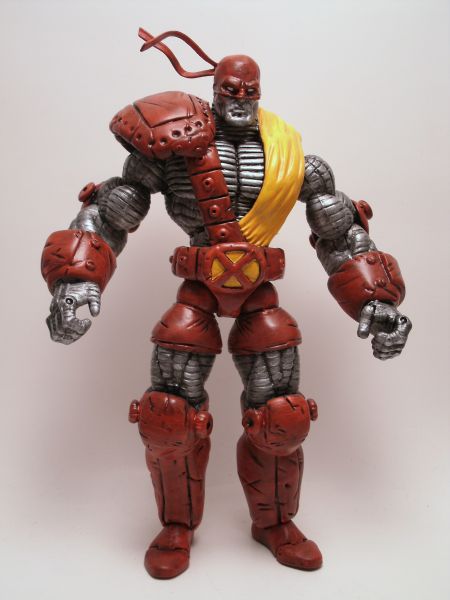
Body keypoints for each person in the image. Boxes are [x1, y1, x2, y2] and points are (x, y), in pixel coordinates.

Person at [41, 29, 412, 579]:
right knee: (169, 415)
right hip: (196, 288)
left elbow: (341, 234)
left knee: (281, 414)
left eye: (248, 92)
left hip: (260, 292)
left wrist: (375, 302)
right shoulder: (175, 147)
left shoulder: (294, 159)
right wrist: (77, 280)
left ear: (259, 93)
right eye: (229, 91)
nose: (238, 100)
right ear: (213, 90)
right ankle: (176, 525)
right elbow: (112, 211)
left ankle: (276, 523)